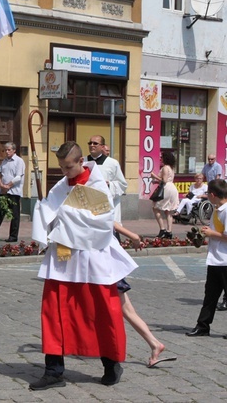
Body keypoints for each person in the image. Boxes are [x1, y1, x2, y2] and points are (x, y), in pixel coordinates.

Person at [29, 141, 137, 391]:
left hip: (92, 258)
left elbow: (102, 223)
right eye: (61, 168)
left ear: (80, 162)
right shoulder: (61, 185)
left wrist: (64, 213)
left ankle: (111, 364)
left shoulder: (97, 186)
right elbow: (50, 212)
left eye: (68, 167)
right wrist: (42, 209)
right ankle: (53, 371)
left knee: (100, 312)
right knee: (54, 313)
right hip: (64, 258)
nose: (64, 172)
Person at [114, 222, 173, 368]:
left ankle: (154, 344)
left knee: (126, 310)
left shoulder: (94, 206)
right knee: (127, 310)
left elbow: (111, 222)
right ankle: (154, 344)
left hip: (105, 270)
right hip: (107, 268)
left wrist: (134, 237)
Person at [185, 179, 227, 337]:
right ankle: (202, 326)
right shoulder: (217, 209)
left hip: (225, 260)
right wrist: (203, 233)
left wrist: (211, 234)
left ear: (213, 194)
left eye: (208, 194)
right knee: (210, 296)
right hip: (216, 259)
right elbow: (216, 231)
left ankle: (203, 326)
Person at [87, 135, 128, 222]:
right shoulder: (83, 161)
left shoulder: (112, 163)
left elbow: (122, 184)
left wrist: (109, 184)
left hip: (106, 204)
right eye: (90, 143)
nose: (92, 145)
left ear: (102, 146)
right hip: (87, 203)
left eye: (95, 143)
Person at [151, 151, 179, 239]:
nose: (160, 158)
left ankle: (162, 229)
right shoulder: (171, 168)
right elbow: (167, 179)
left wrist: (154, 176)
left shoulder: (165, 168)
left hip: (166, 188)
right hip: (172, 188)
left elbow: (164, 180)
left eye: (162, 157)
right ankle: (169, 231)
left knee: (155, 207)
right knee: (168, 210)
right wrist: (156, 181)